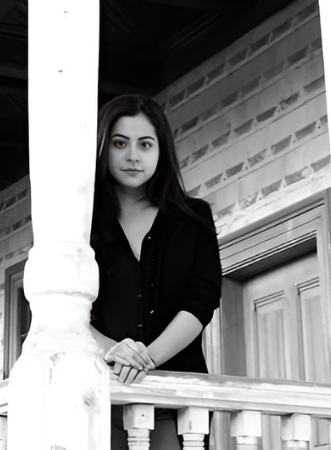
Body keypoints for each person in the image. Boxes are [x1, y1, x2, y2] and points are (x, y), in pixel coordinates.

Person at [89, 95, 222, 449]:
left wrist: (144, 359)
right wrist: (113, 351)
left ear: (161, 151)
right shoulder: (81, 226)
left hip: (176, 396)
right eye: (120, 143)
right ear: (103, 148)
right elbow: (69, 313)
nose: (133, 155)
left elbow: (202, 300)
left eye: (145, 144)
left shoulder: (192, 219)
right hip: (98, 393)